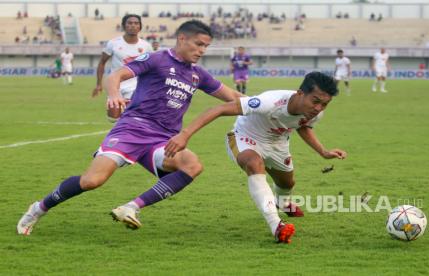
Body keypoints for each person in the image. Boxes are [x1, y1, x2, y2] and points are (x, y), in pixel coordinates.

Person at [17, 20, 242, 236]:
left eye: (206, 46)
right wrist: (114, 94)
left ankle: (131, 207)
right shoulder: (157, 59)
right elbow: (116, 75)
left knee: (191, 165)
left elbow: (232, 96)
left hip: (163, 139)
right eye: (199, 44)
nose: (202, 50)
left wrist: (266, 103)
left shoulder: (197, 74)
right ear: (182, 39)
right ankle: (38, 208)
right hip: (132, 130)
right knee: (91, 181)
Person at [163, 72, 347, 243]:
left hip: (277, 144)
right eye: (315, 101)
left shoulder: (316, 113)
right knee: (253, 163)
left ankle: (283, 203)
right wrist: (184, 135)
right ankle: (276, 225)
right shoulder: (268, 102)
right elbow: (219, 109)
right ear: (300, 93)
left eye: (324, 104)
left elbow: (303, 125)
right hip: (245, 138)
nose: (318, 108)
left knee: (287, 183)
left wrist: (323, 151)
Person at [91, 14, 152, 121]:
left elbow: (152, 66)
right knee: (113, 118)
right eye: (130, 23)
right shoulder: (113, 43)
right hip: (115, 86)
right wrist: (98, 84)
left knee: (131, 119)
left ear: (140, 27)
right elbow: (102, 63)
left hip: (135, 87)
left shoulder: (146, 46)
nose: (133, 26)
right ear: (124, 26)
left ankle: (125, 136)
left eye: (136, 23)